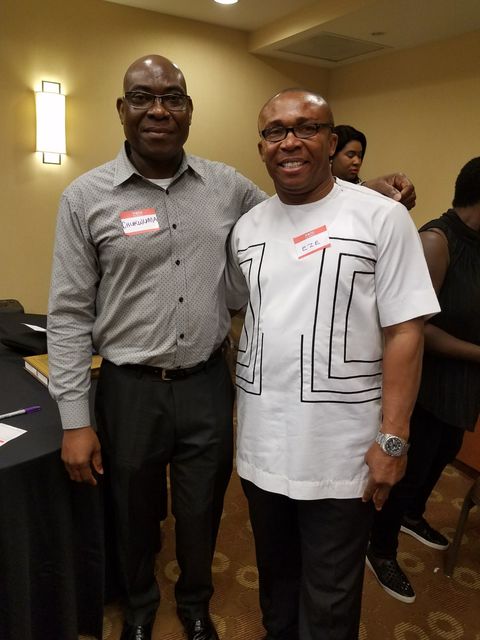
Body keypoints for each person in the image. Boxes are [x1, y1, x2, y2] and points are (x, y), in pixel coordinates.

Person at [47, 54, 419, 640]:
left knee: (203, 511)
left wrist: (360, 192)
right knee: (132, 512)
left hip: (207, 384)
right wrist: (74, 419)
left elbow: (299, 203)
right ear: (122, 109)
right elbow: (68, 314)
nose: (158, 110)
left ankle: (196, 605)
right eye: (142, 97)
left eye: (172, 98)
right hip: (128, 388)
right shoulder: (84, 197)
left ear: (190, 111)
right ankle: (140, 610)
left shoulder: (226, 187)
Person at [225, 89, 439, 640]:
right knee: (276, 587)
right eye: (276, 131)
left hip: (343, 453)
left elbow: (405, 331)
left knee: (330, 599)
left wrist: (393, 439)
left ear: (331, 139)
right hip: (262, 449)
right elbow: (241, 312)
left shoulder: (381, 217)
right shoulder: (248, 227)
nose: (290, 141)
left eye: (307, 127)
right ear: (261, 146)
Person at [366, 157, 480, 604]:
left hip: (462, 383)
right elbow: (415, 327)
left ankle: (412, 517)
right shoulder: (437, 241)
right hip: (428, 383)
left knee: (442, 455)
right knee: (407, 472)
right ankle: (380, 549)